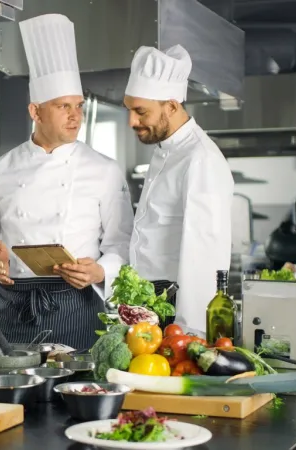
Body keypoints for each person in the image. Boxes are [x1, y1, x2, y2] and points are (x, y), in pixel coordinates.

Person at [0, 14, 134, 350]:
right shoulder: (0, 169)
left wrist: (99, 271)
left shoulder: (104, 170)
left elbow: (123, 242)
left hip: (77, 305)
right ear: (35, 112)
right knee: (3, 396)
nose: (75, 116)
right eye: (63, 106)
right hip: (12, 306)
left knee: (72, 396)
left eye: (79, 106)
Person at [123, 45, 235, 333]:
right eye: (129, 109)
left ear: (171, 106)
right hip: (151, 305)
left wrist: (190, 333)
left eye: (140, 111)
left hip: (177, 314)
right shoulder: (165, 150)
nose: (132, 121)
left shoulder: (201, 159)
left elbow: (205, 253)